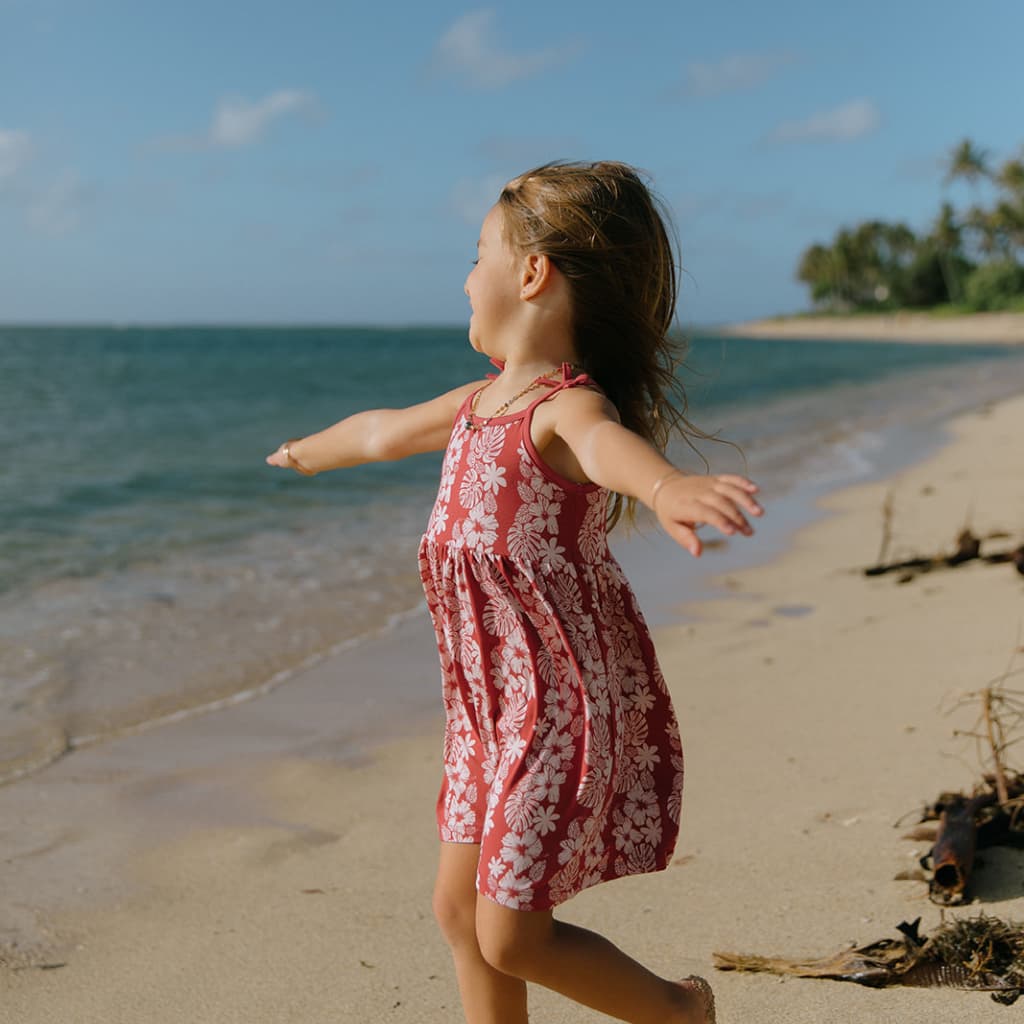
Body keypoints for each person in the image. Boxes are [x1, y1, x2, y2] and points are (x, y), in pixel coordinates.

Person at [266, 161, 762, 1024]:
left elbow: (610, 450)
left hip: (553, 713)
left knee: (512, 937)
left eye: (476, 256)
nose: (463, 279)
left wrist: (665, 488)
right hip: (485, 714)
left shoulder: (562, 410)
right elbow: (383, 431)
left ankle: (680, 1014)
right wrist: (309, 448)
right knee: (459, 914)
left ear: (532, 274)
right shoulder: (475, 404)